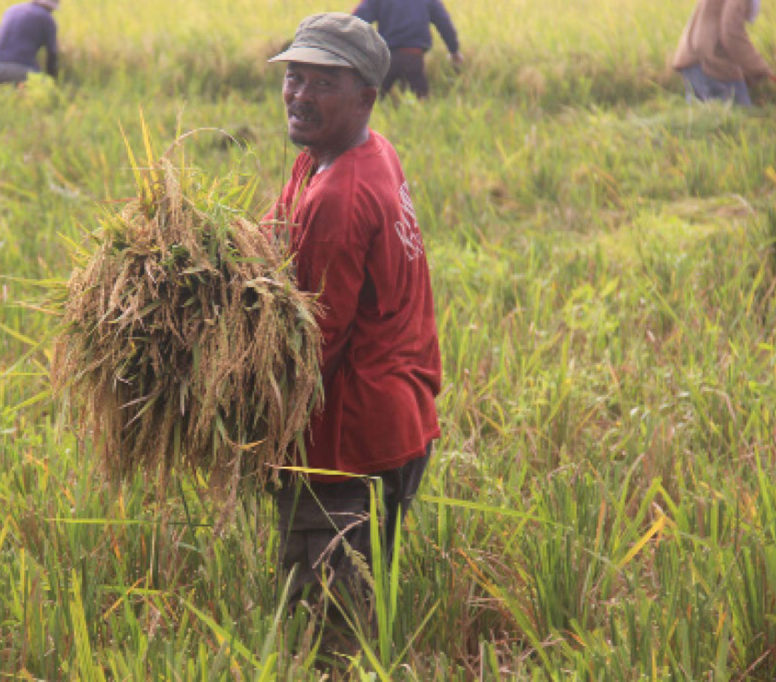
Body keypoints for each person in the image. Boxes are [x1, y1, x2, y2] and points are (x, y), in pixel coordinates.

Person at [264, 12, 443, 654]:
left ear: (367, 95)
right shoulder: (356, 152)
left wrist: (241, 414)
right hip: (396, 420)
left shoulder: (338, 197)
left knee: (327, 630)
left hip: (346, 440)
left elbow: (310, 345)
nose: (300, 95)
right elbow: (278, 233)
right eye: (295, 76)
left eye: (324, 83)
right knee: (358, 597)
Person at [672, 0, 775, 106]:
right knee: (740, 115)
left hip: (692, 60)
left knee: (703, 118)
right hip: (711, 63)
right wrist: (762, 69)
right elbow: (732, 34)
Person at [352, 0, 463, 98]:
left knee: (373, 103)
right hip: (413, 58)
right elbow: (444, 23)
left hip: (387, 59)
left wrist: (353, 50)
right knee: (422, 104)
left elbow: (356, 22)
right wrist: (454, 51)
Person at [0, 0, 60, 85]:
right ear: (51, 7)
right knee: (44, 89)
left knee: (9, 95)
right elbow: (52, 54)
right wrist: (52, 81)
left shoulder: (12, 10)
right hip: (22, 70)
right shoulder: (47, 19)